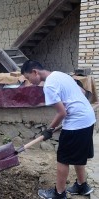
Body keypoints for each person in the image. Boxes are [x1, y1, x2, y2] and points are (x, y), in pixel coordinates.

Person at [21, 60, 95, 199]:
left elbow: (62, 113)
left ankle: (59, 193)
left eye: (28, 78)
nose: (29, 82)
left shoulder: (49, 85)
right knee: (78, 156)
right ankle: (81, 186)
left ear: (35, 72)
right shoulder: (60, 74)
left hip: (76, 123)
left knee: (63, 159)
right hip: (88, 118)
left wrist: (49, 129)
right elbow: (82, 91)